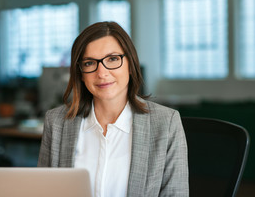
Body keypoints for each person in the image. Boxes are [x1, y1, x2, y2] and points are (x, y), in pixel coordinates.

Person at [38, 21, 189, 197]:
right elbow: (44, 191)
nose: (102, 73)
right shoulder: (56, 122)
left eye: (112, 59)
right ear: (80, 73)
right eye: (89, 63)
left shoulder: (166, 123)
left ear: (130, 65)